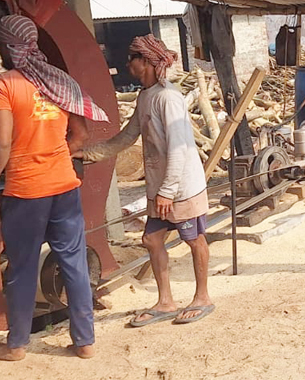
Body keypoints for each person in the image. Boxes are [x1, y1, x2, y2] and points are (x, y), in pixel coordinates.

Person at [0, 14, 109, 361]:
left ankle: (17, 344)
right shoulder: (59, 81)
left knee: (22, 267)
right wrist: (52, 155)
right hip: (64, 186)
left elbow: (1, 144)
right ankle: (85, 342)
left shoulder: (3, 84)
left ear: (6, 46)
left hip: (25, 192)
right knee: (73, 263)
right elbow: (80, 135)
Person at [78, 35, 212, 328]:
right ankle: (166, 301)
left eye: (133, 59)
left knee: (193, 239)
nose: (128, 64)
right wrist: (87, 154)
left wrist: (166, 191)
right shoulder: (146, 96)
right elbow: (128, 137)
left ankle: (202, 297)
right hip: (161, 186)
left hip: (180, 187)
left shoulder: (169, 98)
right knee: (151, 239)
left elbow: (178, 147)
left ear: (148, 62)